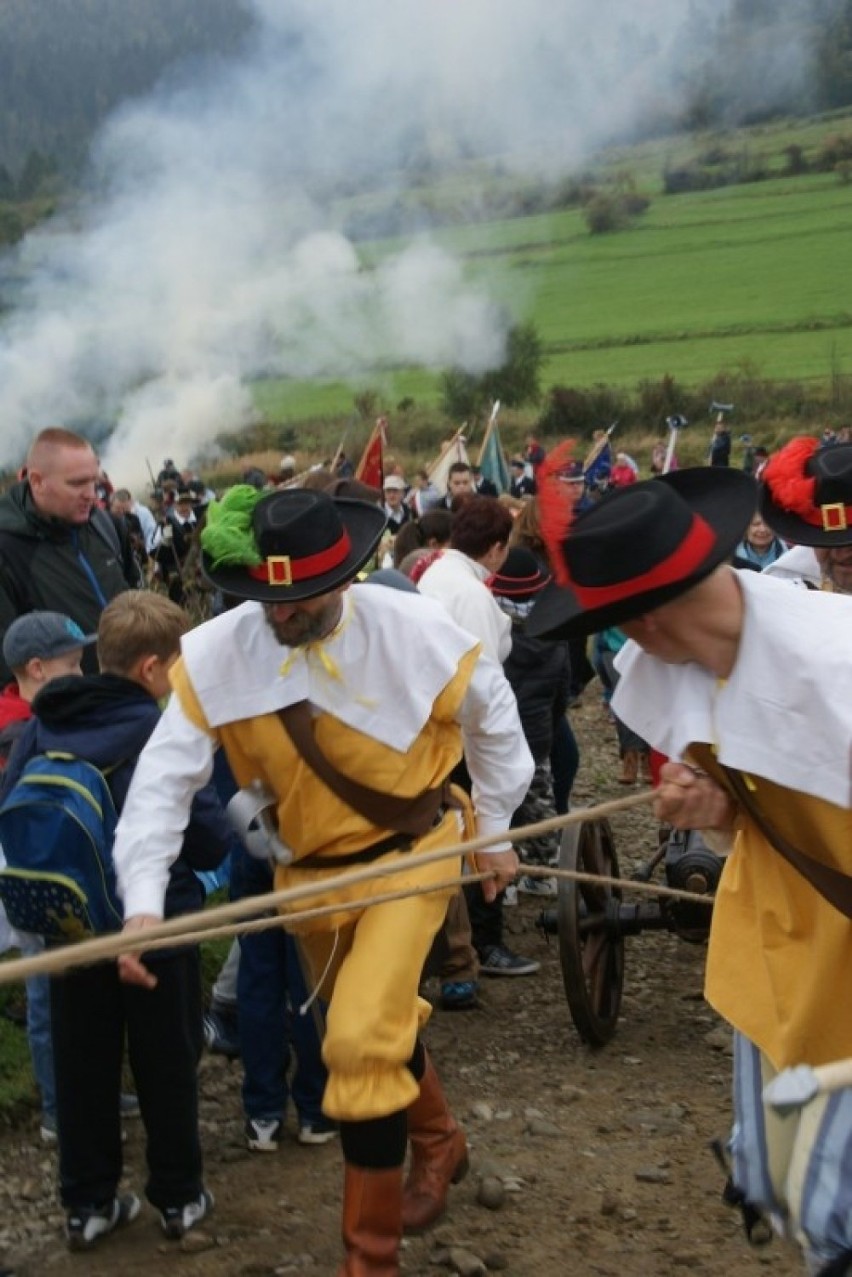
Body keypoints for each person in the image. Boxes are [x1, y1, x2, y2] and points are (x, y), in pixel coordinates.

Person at [111, 486, 533, 1275]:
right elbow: (163, 780)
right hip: (306, 879)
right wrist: (141, 904)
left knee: (360, 1039)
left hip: (411, 853)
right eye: (267, 599)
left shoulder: (414, 629)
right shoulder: (214, 654)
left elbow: (495, 717)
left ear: (341, 578)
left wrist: (499, 827)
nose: (279, 616)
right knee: (376, 1024)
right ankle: (439, 1139)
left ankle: (367, 1260)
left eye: (297, 599)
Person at [528, 464, 852, 1277]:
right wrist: (722, 805)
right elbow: (775, 807)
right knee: (786, 1185)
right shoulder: (681, 665)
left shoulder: (835, 662)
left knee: (831, 1204)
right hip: (776, 942)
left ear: (644, 618)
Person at [1, 592, 234, 1250]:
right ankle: (179, 1196)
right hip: (157, 924)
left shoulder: (45, 721)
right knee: (167, 1059)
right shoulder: (163, 730)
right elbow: (210, 839)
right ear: (154, 670)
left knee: (82, 1065)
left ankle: (88, 1202)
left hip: (70, 923)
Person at [419, 498, 540, 978]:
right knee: (475, 831)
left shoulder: (436, 576)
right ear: (495, 549)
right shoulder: (469, 596)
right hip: (458, 736)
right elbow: (483, 692)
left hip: (438, 733)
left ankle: (455, 950)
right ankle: (481, 945)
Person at [0, 612, 97, 1145]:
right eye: (72, 665)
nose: (81, 676)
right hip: (32, 874)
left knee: (79, 983)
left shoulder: (40, 717)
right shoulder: (15, 729)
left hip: (64, 871)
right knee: (44, 991)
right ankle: (59, 1106)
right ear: (36, 669)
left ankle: (86, 1089)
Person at [0, 428, 141, 685]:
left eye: (94, 481)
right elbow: (7, 665)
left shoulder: (108, 527)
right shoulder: (7, 548)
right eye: (77, 483)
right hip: (64, 713)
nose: (91, 493)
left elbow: (136, 597)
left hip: (133, 693)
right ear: (37, 481)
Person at [490, 549, 571, 897]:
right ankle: (542, 873)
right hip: (537, 735)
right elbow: (563, 692)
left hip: (497, 738)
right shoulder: (553, 634)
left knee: (497, 806)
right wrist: (549, 728)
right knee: (539, 804)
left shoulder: (488, 630)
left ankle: (501, 882)